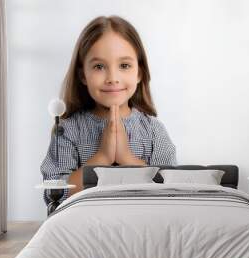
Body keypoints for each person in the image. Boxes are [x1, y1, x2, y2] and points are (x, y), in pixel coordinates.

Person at [40, 15, 177, 206]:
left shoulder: (154, 132)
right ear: (83, 75)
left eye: (124, 66)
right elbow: (55, 197)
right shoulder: (67, 131)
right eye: (99, 66)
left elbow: (172, 195)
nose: (113, 77)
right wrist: (102, 157)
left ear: (139, 73)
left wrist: (126, 158)